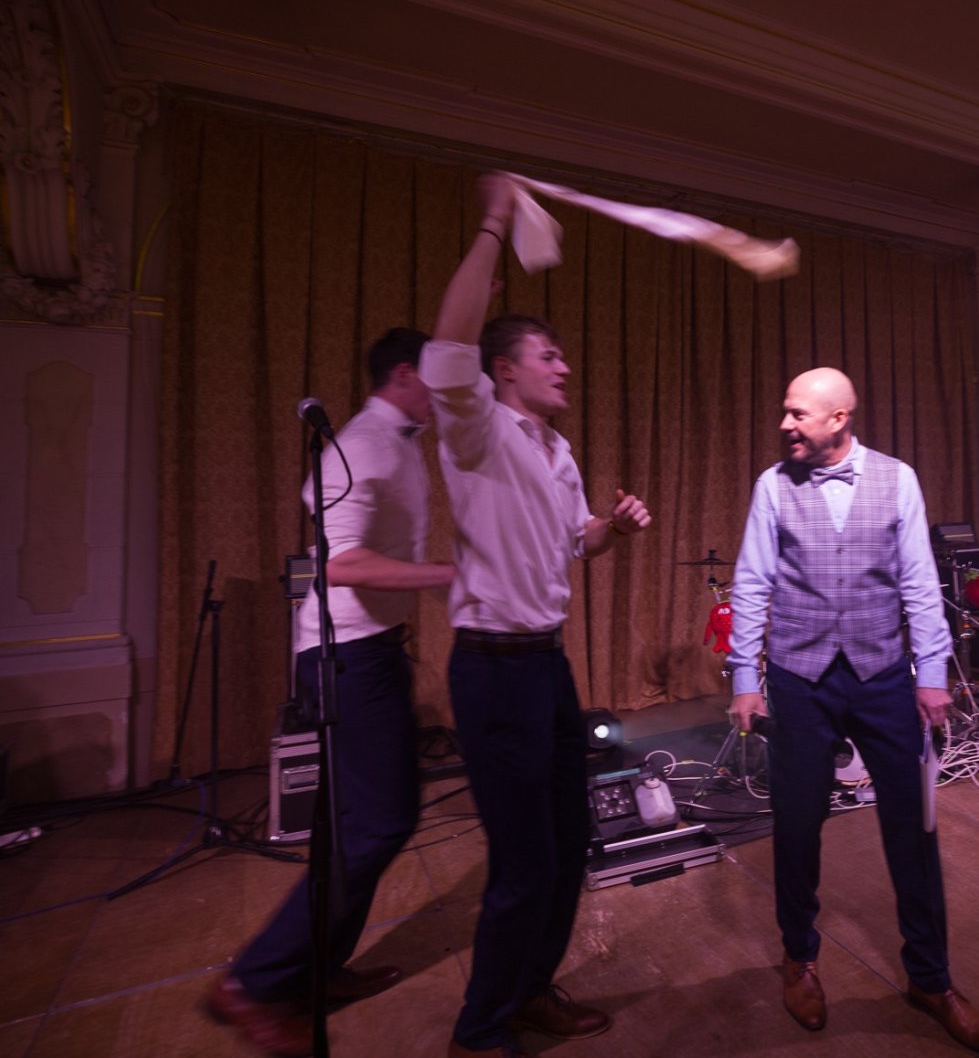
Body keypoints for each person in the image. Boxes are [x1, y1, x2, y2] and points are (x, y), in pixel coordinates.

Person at [421, 174, 651, 1057]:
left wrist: (611, 529)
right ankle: (480, 1032)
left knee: (567, 843)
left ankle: (529, 993)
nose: (564, 367)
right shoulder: (476, 426)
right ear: (504, 370)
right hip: (492, 670)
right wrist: (493, 220)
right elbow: (450, 344)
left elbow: (573, 546)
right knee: (522, 863)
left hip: (546, 666)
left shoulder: (557, 450)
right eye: (546, 355)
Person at [726, 368, 979, 1056]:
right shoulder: (772, 486)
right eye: (785, 412)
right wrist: (745, 677)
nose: (785, 425)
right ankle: (799, 957)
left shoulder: (897, 479)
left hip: (881, 677)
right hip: (800, 679)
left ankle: (931, 979)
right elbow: (752, 583)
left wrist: (931, 674)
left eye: (798, 414)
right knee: (797, 826)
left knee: (913, 828)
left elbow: (919, 582)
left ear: (839, 418)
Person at [206, 328, 455, 1056]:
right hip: (344, 655)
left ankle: (314, 970)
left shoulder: (398, 442)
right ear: (405, 373)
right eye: (437, 375)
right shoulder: (363, 443)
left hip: (368, 649)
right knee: (380, 821)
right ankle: (254, 983)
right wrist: (446, 575)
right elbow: (339, 563)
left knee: (362, 824)